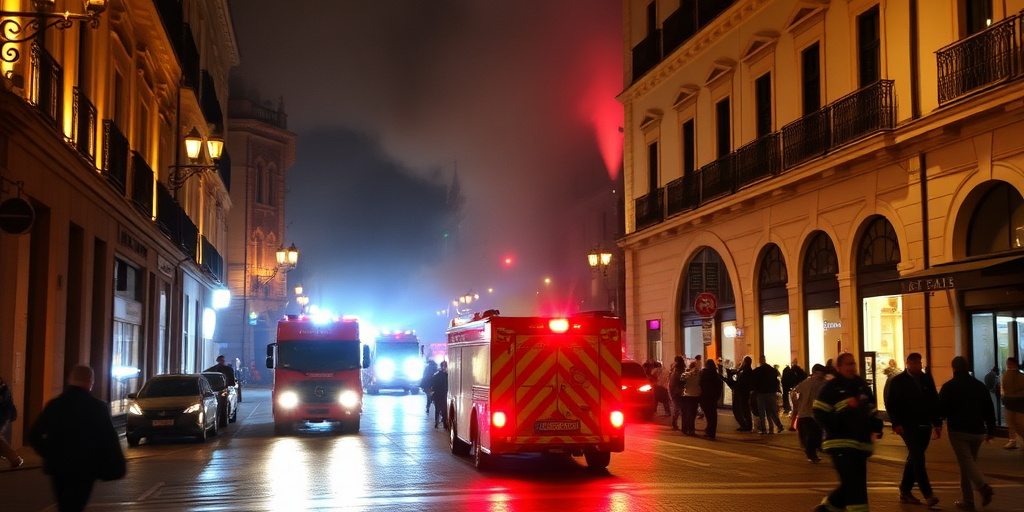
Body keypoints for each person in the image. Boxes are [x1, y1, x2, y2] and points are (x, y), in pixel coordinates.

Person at [29, 365, 126, 512]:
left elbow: (34, 435)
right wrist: (115, 465)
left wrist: (51, 454)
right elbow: (109, 439)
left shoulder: (55, 405)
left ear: (70, 380)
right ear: (90, 382)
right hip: (86, 468)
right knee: (77, 505)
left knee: (64, 505)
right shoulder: (97, 407)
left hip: (59, 468)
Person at [812, 353, 883, 512]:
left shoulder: (862, 386)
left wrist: (876, 428)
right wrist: (838, 421)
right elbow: (819, 413)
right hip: (839, 444)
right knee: (855, 486)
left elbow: (871, 410)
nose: (852, 367)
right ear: (839, 368)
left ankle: (826, 509)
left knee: (851, 484)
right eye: (848, 364)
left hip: (861, 445)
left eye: (853, 364)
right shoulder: (831, 388)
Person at [938, 356, 996, 511]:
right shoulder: (979, 386)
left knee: (966, 461)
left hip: (958, 430)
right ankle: (968, 500)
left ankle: (983, 487)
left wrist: (937, 422)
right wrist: (991, 429)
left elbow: (941, 410)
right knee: (968, 464)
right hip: (978, 431)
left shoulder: (949, 387)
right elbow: (989, 409)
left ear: (954, 368)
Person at [885, 352, 942, 507]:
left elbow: (934, 401)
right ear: (907, 363)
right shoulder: (898, 381)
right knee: (918, 457)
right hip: (907, 426)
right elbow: (891, 404)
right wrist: (896, 423)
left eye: (919, 362)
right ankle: (928, 494)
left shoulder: (926, 379)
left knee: (914, 458)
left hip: (924, 425)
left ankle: (905, 490)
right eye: (914, 363)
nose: (917, 366)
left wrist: (937, 422)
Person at [792, 364, 828, 462]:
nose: (822, 376)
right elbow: (795, 393)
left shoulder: (824, 383)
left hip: (816, 413)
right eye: (820, 373)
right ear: (815, 373)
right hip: (806, 413)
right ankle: (811, 453)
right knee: (813, 433)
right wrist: (797, 406)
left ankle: (814, 450)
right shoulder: (807, 383)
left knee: (817, 432)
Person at [753, 354, 784, 434]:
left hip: (761, 393)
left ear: (760, 360)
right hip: (771, 393)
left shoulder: (757, 371)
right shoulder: (772, 370)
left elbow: (754, 382)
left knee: (762, 412)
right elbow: (775, 381)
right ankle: (777, 426)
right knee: (772, 411)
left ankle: (764, 429)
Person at [1000, 357, 1024, 450]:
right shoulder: (1006, 375)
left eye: (1010, 364)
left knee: (1018, 423)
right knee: (1011, 423)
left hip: (1016, 403)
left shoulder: (1017, 376)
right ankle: (1012, 440)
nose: (1009, 366)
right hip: (1011, 402)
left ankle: (1013, 440)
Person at [0, 376, 23, 469]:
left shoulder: (4, 389)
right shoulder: (5, 388)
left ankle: (14, 458)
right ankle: (14, 458)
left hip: (2, 416)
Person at [698, 358, 723, 439]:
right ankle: (711, 432)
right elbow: (719, 387)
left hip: (705, 397)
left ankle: (709, 431)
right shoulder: (716, 375)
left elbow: (700, 384)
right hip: (713, 398)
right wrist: (717, 396)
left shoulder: (704, 374)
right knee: (713, 415)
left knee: (708, 416)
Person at [679, 360, 701, 436]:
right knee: (692, 414)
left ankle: (685, 429)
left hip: (686, 395)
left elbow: (681, 383)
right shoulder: (700, 375)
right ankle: (691, 429)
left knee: (686, 413)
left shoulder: (686, 374)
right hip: (695, 396)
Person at [429, 361, 449, 429]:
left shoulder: (436, 375)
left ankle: (436, 422)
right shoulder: (447, 375)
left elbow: (432, 385)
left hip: (437, 394)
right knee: (444, 409)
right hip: (444, 394)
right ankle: (445, 424)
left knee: (437, 409)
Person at [668, 356, 685, 431]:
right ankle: (675, 424)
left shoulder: (676, 370)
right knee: (678, 408)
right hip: (677, 392)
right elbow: (675, 383)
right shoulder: (676, 371)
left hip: (677, 392)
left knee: (679, 408)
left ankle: (678, 424)